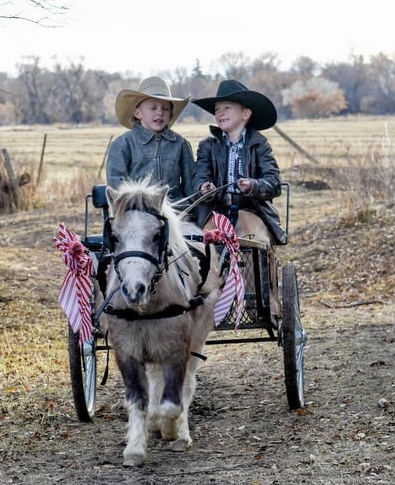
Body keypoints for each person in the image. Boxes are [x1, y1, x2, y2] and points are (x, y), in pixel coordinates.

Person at [191, 79, 287, 322]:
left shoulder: (259, 145)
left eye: (227, 108)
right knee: (204, 245)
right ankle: (211, 305)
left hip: (249, 208)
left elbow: (273, 182)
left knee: (256, 243)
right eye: (217, 110)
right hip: (216, 210)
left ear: (245, 113)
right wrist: (205, 188)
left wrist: (253, 185)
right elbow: (199, 175)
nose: (220, 113)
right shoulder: (209, 146)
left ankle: (260, 304)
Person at [106, 76, 195, 211]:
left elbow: (190, 186)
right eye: (153, 108)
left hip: (176, 211)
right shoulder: (123, 145)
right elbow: (117, 186)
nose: (159, 113)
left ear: (171, 114)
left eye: (165, 109)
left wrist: (191, 213)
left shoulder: (180, 144)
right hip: (137, 212)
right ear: (138, 113)